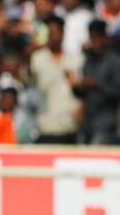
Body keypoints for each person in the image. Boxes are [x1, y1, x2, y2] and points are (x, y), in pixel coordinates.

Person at [72, 20, 120, 144]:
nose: (95, 41)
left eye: (98, 37)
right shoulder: (87, 59)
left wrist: (97, 84)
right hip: (87, 121)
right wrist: (79, 87)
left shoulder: (116, 60)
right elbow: (84, 93)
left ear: (105, 38)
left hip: (107, 122)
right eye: (92, 37)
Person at [29, 16, 84, 144]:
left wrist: (82, 108)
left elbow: (83, 91)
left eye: (56, 33)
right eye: (50, 33)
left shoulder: (76, 59)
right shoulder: (37, 58)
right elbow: (28, 81)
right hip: (46, 125)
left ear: (63, 33)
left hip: (70, 124)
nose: (53, 37)